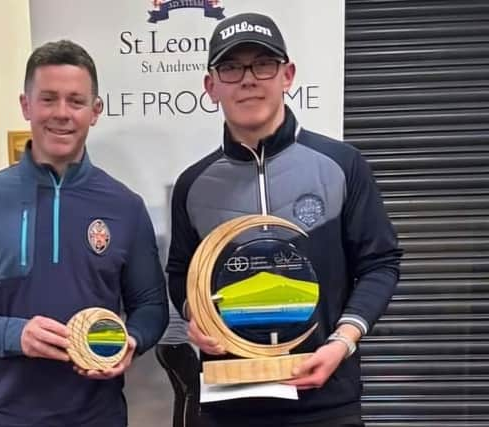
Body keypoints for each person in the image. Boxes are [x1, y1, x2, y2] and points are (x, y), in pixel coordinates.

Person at [166, 12, 402, 427]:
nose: (248, 79)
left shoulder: (342, 165)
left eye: (263, 63)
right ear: (211, 85)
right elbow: (180, 273)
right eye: (231, 66)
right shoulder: (192, 184)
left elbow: (380, 263)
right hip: (228, 402)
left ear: (287, 75)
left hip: (326, 400)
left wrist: (342, 342)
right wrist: (194, 315)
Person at [0, 39, 168, 427]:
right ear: (26, 105)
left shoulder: (126, 206)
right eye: (48, 99)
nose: (62, 113)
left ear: (95, 112)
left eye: (75, 101)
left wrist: (134, 341)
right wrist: (15, 334)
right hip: (3, 416)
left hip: (99, 416)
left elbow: (151, 308)